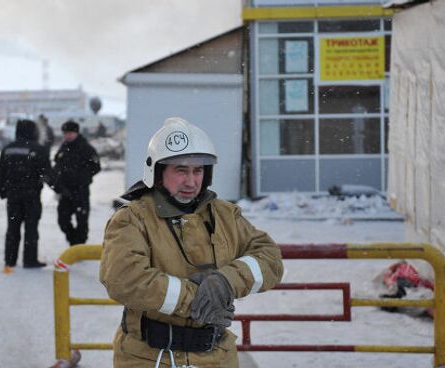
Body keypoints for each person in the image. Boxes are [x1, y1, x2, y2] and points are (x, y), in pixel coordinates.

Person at [99, 117, 284, 367]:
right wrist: (196, 299)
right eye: (181, 170)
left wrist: (225, 282)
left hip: (217, 357)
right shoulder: (132, 219)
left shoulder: (226, 215)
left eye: (198, 171)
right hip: (148, 358)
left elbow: (270, 258)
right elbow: (125, 279)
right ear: (157, 171)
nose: (191, 181)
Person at [0, 119, 51, 273]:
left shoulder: (7, 149)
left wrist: (3, 191)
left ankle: (10, 260)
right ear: (33, 131)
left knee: (12, 228)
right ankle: (29, 259)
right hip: (31, 195)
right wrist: (60, 188)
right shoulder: (39, 149)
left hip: (13, 196)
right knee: (31, 228)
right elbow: (47, 172)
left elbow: (1, 172)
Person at [51, 120, 101, 246]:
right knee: (63, 220)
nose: (68, 136)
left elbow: (96, 166)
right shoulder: (63, 148)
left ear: (76, 133)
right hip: (65, 190)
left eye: (70, 133)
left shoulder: (86, 148)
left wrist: (82, 177)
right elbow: (57, 165)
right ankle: (73, 241)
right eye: (65, 133)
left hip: (81, 190)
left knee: (82, 220)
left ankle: (80, 244)